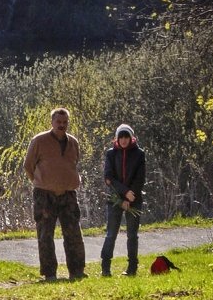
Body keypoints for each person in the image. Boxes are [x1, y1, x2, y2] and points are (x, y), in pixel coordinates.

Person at [23, 107, 87, 282]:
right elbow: (28, 166)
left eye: (65, 122)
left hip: (68, 194)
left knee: (73, 233)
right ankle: (50, 274)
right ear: (51, 122)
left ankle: (77, 271)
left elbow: (74, 164)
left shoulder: (73, 142)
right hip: (44, 195)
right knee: (45, 235)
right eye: (58, 122)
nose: (62, 125)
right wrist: (41, 182)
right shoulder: (39, 141)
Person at [101, 123, 145, 277]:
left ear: (131, 138)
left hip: (135, 198)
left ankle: (132, 268)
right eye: (121, 137)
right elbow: (108, 178)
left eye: (127, 136)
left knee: (132, 235)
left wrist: (130, 196)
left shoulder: (139, 154)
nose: (124, 140)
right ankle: (105, 268)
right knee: (111, 234)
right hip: (115, 199)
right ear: (117, 138)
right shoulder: (110, 154)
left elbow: (140, 178)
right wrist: (124, 193)